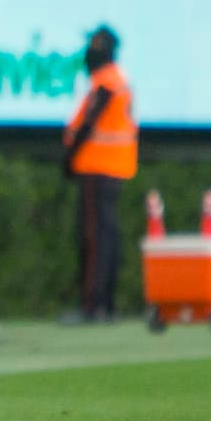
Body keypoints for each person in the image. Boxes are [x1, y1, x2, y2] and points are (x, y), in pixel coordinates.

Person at [61, 25, 136, 325]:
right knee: (107, 235)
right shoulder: (117, 80)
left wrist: (70, 156)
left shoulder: (107, 82)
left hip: (98, 166)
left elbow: (89, 123)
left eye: (93, 46)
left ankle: (93, 305)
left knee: (95, 238)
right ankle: (106, 304)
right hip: (113, 166)